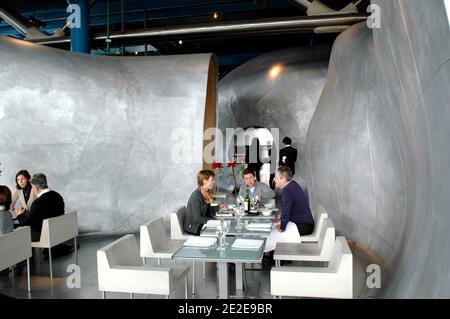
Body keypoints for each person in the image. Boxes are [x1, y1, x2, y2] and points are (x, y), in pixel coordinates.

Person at [264, 166, 314, 255]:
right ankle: (276, 258)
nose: (274, 180)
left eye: (276, 177)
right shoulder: (292, 184)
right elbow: (289, 210)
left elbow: (286, 212)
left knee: (273, 233)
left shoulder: (287, 190)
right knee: (273, 227)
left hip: (304, 226)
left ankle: (276, 259)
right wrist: (279, 221)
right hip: (306, 223)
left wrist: (282, 226)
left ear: (282, 178)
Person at [16, 173, 64, 241]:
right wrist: (29, 213)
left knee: (16, 232)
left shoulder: (38, 202)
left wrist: (19, 215)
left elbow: (25, 224)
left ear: (36, 188)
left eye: (32, 187)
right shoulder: (57, 196)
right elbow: (44, 213)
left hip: (43, 235)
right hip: (57, 231)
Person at [184, 170, 222, 236]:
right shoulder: (196, 196)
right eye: (212, 180)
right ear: (205, 181)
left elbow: (207, 210)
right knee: (222, 230)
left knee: (223, 228)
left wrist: (219, 207)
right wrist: (214, 222)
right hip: (194, 227)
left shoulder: (204, 193)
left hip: (200, 224)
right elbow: (197, 218)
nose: (214, 182)